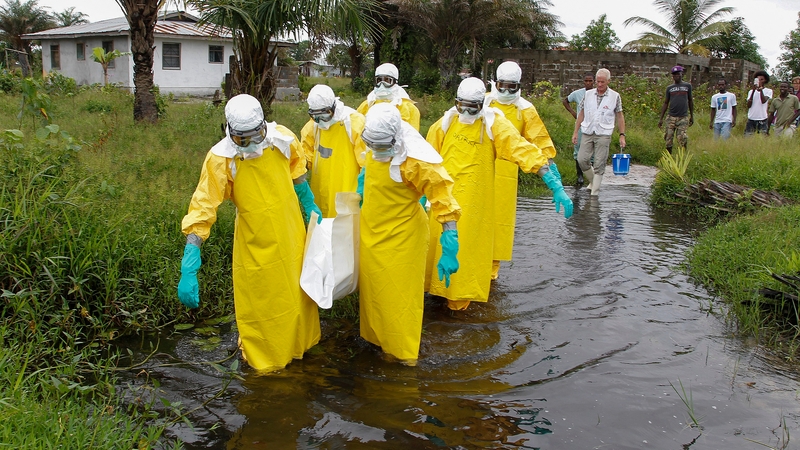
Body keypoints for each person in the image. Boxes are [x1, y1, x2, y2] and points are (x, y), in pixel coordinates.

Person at [177, 94, 322, 372]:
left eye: (257, 135)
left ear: (264, 126)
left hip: (291, 233)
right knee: (262, 303)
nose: (252, 144)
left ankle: (300, 346)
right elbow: (203, 206)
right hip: (254, 241)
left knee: (297, 295)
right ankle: (267, 360)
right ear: (230, 132)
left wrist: (308, 203)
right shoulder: (221, 158)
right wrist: (190, 260)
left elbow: (297, 170)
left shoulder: (283, 139)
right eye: (244, 140)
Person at [426, 77, 573, 311]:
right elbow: (425, 159)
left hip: (475, 202)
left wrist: (554, 184)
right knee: (435, 247)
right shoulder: (443, 124)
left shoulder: (495, 125)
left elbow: (524, 151)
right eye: (460, 105)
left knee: (468, 248)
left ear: (482, 105)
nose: (465, 111)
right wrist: (423, 196)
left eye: (471, 107)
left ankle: (459, 303)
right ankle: (434, 295)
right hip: (444, 199)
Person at [357, 103, 462, 364]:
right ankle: (379, 342)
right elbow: (368, 167)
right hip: (372, 233)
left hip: (403, 239)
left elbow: (443, 199)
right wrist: (362, 184)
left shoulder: (416, 161)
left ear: (396, 139)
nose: (377, 151)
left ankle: (402, 356)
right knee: (375, 294)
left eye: (383, 146)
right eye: (373, 145)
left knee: (399, 301)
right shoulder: (374, 138)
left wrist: (450, 244)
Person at [484, 61, 558, 280]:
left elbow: (541, 141)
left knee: (499, 222)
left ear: (519, 86)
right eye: (502, 85)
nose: (506, 91)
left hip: (507, 174)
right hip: (480, 167)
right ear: (495, 83)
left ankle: (490, 273)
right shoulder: (484, 102)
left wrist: (553, 175)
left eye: (511, 87)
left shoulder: (525, 109)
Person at [300, 84, 366, 217]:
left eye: (324, 115)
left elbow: (367, 163)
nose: (321, 121)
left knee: (346, 229)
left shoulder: (354, 123)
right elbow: (304, 156)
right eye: (316, 116)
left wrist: (363, 190)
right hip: (321, 189)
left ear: (333, 107)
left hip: (347, 189)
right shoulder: (313, 127)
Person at [572, 68, 627, 197]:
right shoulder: (588, 94)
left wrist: (622, 135)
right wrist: (575, 131)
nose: (600, 85)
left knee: (599, 162)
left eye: (603, 82)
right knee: (581, 159)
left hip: (604, 133)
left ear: (608, 81)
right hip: (588, 130)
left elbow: (620, 116)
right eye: (598, 82)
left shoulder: (615, 96)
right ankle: (593, 181)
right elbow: (582, 113)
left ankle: (594, 194)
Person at [357, 62, 421, 130]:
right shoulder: (366, 105)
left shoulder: (409, 108)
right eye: (379, 80)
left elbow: (412, 136)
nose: (382, 84)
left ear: (395, 82)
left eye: (387, 80)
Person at [563, 73, 596, 186]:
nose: (588, 83)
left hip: (594, 126)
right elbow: (565, 101)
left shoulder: (597, 94)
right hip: (581, 126)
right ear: (583, 82)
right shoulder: (578, 94)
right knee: (578, 149)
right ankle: (580, 176)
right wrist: (573, 112)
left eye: (590, 81)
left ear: (593, 82)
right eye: (586, 81)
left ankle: (591, 177)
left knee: (593, 151)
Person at [658, 65, 693, 153]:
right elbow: (666, 103)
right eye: (674, 75)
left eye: (677, 74)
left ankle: (683, 156)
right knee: (668, 139)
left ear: (681, 74)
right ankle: (669, 158)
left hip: (683, 117)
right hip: (671, 117)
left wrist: (692, 116)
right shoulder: (669, 88)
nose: (676, 76)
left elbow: (690, 100)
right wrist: (661, 118)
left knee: (681, 138)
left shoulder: (687, 86)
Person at [745, 70, 773, 136]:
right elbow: (749, 105)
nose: (759, 81)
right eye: (758, 79)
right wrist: (753, 91)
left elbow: (763, 101)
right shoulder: (751, 91)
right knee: (748, 137)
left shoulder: (768, 91)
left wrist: (760, 91)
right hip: (751, 118)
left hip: (762, 118)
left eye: (761, 79)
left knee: (762, 138)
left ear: (765, 80)